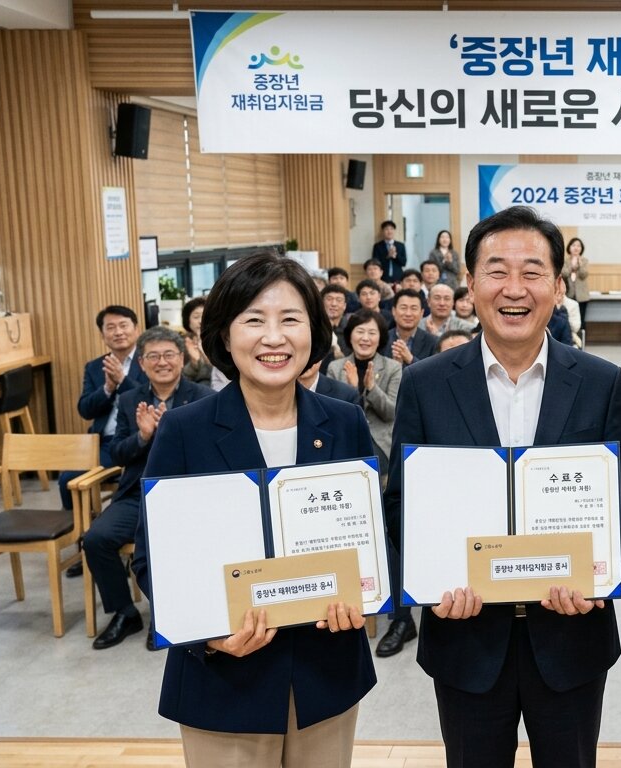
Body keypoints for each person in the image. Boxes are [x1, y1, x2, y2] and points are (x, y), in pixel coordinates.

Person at [386, 205, 621, 767]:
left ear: (558, 285)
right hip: (465, 636)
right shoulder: (426, 384)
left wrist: (597, 573)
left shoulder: (600, 381)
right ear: (470, 282)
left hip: (571, 635)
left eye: (532, 271)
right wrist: (430, 578)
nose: (514, 288)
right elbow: (401, 500)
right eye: (497, 271)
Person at [131, 251, 375, 764]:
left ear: (314, 331)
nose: (274, 338)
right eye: (254, 320)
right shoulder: (184, 430)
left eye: (291, 319)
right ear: (224, 334)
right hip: (224, 680)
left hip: (325, 675)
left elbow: (373, 539)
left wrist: (367, 592)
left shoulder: (345, 421)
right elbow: (151, 560)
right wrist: (210, 638)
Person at [85, 326, 214, 651]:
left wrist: (170, 431)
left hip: (186, 496)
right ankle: (125, 612)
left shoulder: (203, 398)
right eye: (153, 356)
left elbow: (211, 451)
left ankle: (166, 613)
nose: (162, 362)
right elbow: (116, 453)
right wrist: (142, 437)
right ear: (141, 363)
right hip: (137, 494)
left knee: (173, 542)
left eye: (169, 354)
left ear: (182, 359)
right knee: (96, 539)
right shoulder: (130, 399)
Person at [67, 306, 146, 514]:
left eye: (123, 325)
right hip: (104, 442)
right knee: (67, 479)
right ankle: (80, 527)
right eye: (110, 328)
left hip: (138, 438)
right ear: (102, 335)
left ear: (136, 329)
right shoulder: (95, 367)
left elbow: (150, 399)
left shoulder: (149, 360)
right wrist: (107, 389)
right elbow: (85, 410)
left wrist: (122, 380)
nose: (118, 332)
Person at [326, 308, 402, 479]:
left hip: (381, 446)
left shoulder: (393, 368)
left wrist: (372, 388)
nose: (365, 338)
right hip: (344, 442)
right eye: (360, 331)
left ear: (380, 338)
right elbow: (332, 414)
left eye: (372, 333)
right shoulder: (335, 367)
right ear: (350, 335)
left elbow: (391, 413)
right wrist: (352, 391)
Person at [389, 289, 439, 364]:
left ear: (422, 313)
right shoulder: (382, 340)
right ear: (394, 311)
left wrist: (411, 359)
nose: (408, 314)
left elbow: (434, 370)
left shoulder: (433, 342)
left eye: (414, 308)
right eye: (403, 308)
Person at [180, 297, 213, 385]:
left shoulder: (219, 342)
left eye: (204, 316)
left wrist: (207, 359)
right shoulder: (181, 343)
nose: (200, 321)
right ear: (187, 320)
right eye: (196, 317)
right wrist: (193, 364)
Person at [562, 236, 591, 323]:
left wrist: (580, 264)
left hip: (582, 295)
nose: (576, 248)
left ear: (581, 249)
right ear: (569, 247)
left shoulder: (584, 260)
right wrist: (572, 266)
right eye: (573, 245)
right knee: (568, 318)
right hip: (568, 294)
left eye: (578, 246)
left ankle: (581, 331)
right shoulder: (565, 261)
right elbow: (564, 274)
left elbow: (583, 275)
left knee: (581, 319)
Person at [320, 284, 353, 359]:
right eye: (329, 299)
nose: (334, 304)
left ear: (344, 306)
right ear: (322, 303)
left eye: (339, 300)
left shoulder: (351, 328)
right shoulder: (313, 328)